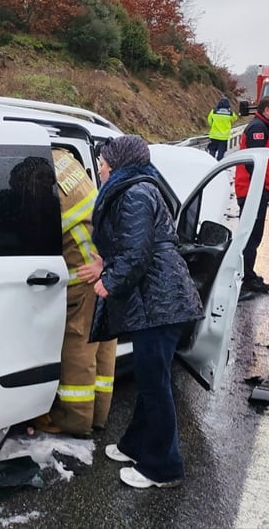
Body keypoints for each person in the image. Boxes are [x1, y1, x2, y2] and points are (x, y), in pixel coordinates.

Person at [85, 135, 204, 490]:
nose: (101, 167)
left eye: (104, 162)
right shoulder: (137, 188)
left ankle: (164, 467)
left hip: (160, 303)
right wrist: (107, 262)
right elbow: (134, 244)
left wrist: (109, 280)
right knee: (150, 381)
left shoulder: (135, 193)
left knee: (155, 387)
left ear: (118, 162)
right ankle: (135, 445)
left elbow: (137, 254)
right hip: (158, 300)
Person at [31, 147, 116, 437]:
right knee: (103, 346)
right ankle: (98, 415)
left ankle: (74, 420)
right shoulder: (67, 161)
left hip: (83, 274)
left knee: (77, 349)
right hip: (103, 266)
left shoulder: (40, 175)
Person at [235, 96, 269, 296]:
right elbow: (254, 162)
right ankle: (244, 279)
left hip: (257, 190)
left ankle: (248, 274)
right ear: (267, 111)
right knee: (250, 236)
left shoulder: (265, 128)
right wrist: (261, 187)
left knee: (253, 236)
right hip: (252, 191)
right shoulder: (259, 129)